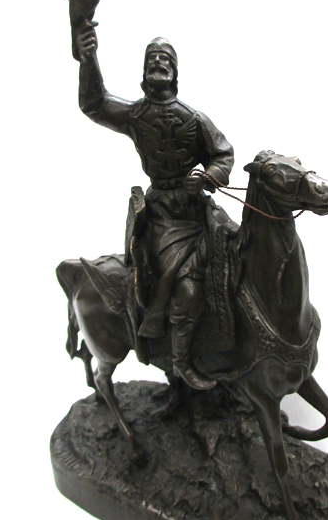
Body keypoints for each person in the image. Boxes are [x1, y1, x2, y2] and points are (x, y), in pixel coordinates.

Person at [75, 21, 234, 390]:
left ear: (175, 72)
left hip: (197, 209)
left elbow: (223, 154)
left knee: (238, 255)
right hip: (162, 215)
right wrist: (88, 58)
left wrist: (208, 176)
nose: (158, 63)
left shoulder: (194, 118)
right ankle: (181, 361)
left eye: (165, 59)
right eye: (152, 59)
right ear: (144, 71)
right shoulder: (135, 115)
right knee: (183, 286)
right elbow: (94, 104)